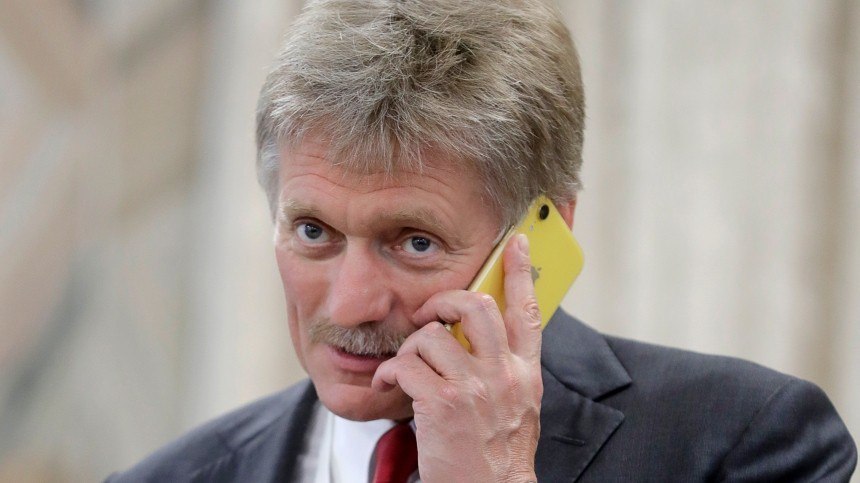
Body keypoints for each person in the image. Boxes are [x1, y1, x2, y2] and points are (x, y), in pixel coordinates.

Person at [108, 0, 856, 481]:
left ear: (543, 237)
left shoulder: (746, 441)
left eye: (414, 242)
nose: (351, 303)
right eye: (314, 231)